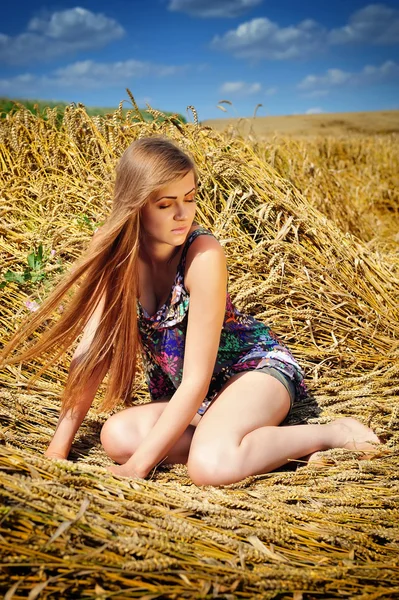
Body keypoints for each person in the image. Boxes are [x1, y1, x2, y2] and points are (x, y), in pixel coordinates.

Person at [0, 136, 380, 487]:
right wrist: (57, 449)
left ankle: (331, 434)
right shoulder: (116, 254)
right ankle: (236, 444)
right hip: (195, 399)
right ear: (135, 206)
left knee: (209, 468)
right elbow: (91, 355)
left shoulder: (204, 255)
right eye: (166, 204)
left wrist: (138, 468)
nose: (183, 214)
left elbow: (197, 379)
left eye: (190, 198)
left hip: (251, 373)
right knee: (116, 437)